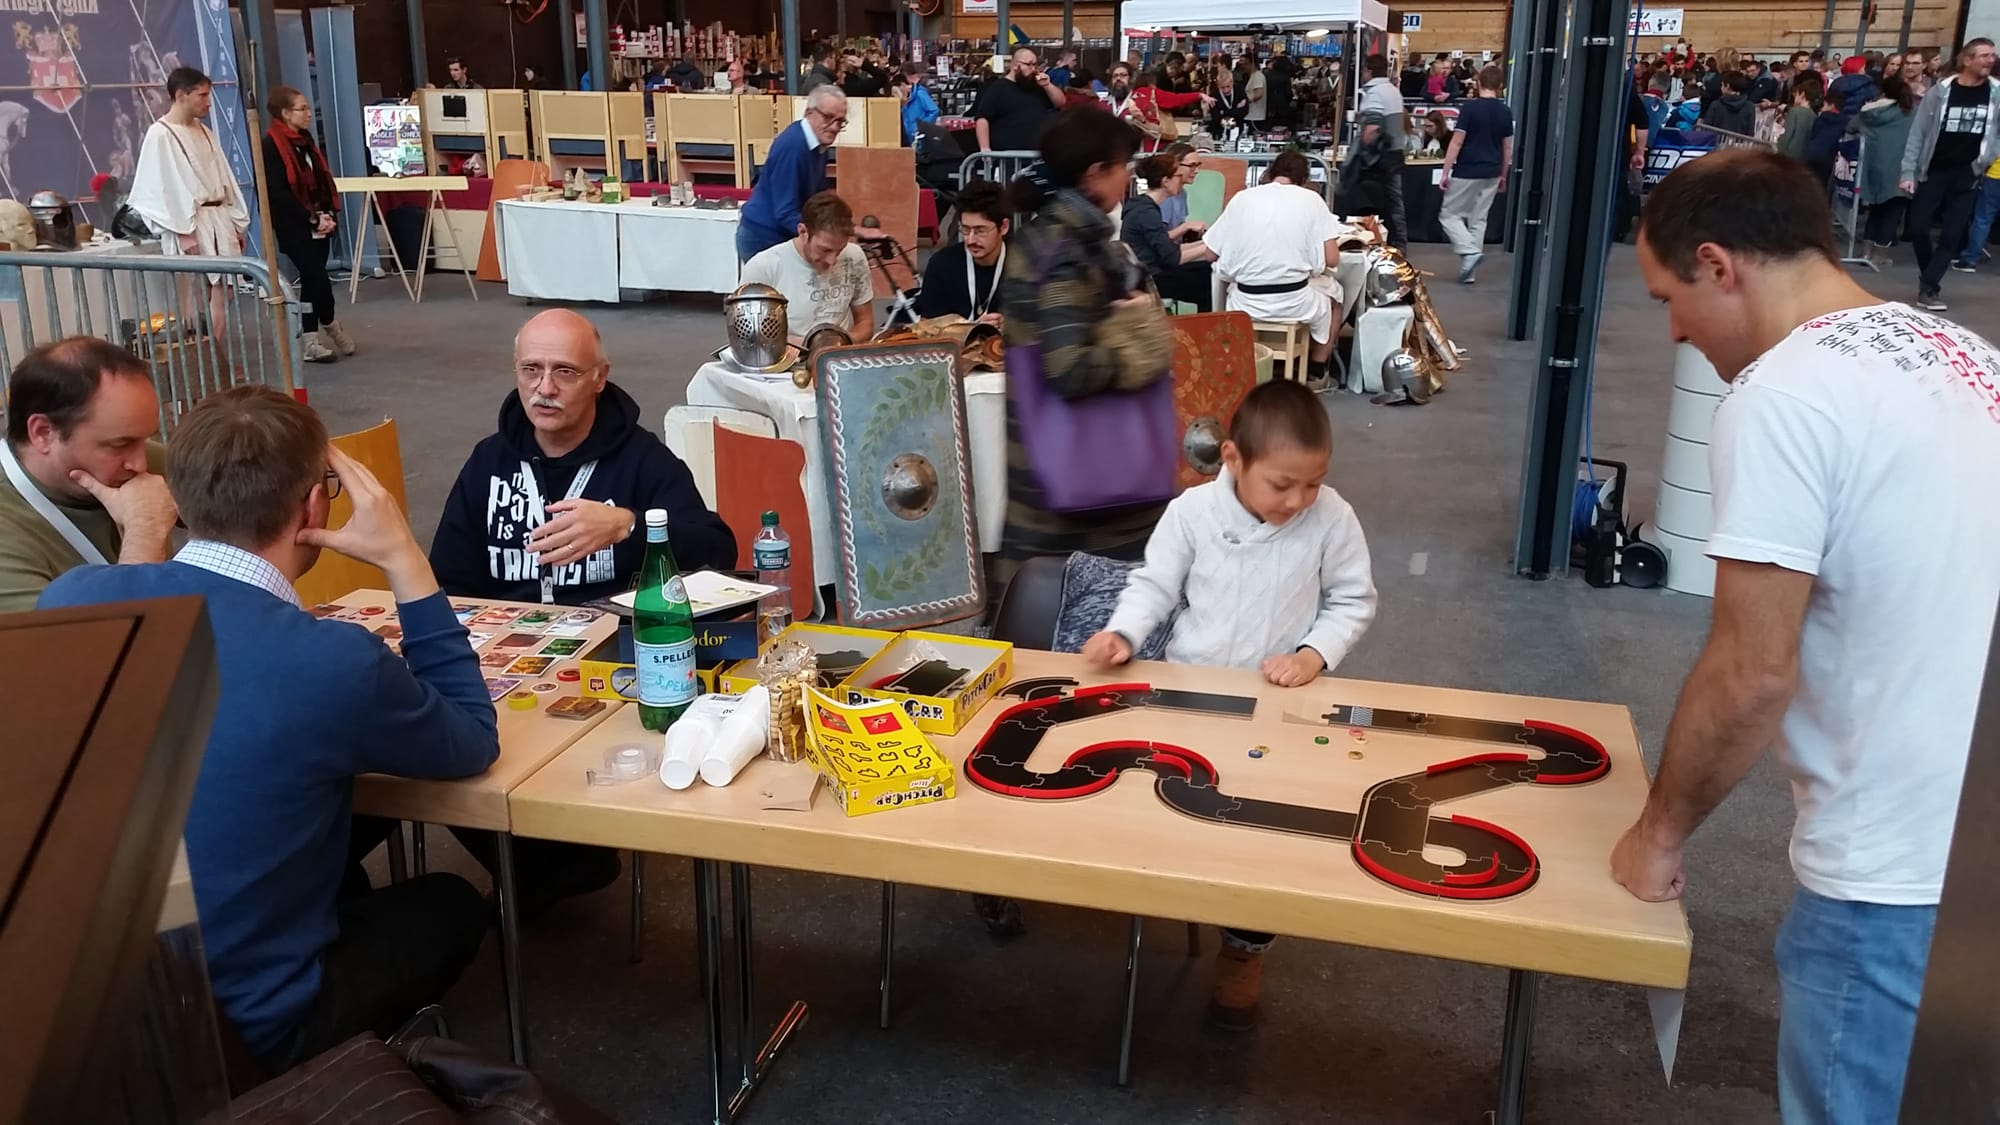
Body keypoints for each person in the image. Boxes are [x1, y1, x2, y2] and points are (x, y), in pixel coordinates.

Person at [1618, 147, 2000, 1125]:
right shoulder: (1960, 355)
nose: (1670, 329)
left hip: (1893, 871)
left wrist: (1656, 836)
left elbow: (1749, 673)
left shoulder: (1783, 395)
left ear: (1717, 263)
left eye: (1667, 296)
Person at [38, 385, 501, 1074]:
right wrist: (405, 557)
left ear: (180, 499)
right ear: (315, 505)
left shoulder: (70, 598)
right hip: (246, 1037)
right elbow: (472, 737)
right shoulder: (331, 661)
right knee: (450, 901)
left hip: (80, 1010)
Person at [1083, 378, 1375, 1030]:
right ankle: (1158, 901)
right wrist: (1124, 632)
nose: (1298, 500)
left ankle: (1246, 944)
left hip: (1279, 704)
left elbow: (1353, 599)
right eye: (1282, 484)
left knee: (1260, 836)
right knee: (1171, 809)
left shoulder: (1332, 518)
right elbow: (1154, 583)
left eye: (1313, 482)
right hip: (1193, 694)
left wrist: (1312, 653)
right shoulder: (1192, 513)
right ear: (1234, 459)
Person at [430, 308, 735, 608]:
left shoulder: (642, 459)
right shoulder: (489, 462)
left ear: (599, 378)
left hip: (610, 639)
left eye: (565, 371)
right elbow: (448, 580)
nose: (546, 388)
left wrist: (628, 528)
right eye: (531, 369)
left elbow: (717, 553)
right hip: (510, 641)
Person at [991, 110, 1173, 593]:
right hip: (1086, 494)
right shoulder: (1066, 251)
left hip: (1064, 478)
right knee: (1076, 623)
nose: (1130, 174)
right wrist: (1137, 346)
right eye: (1123, 164)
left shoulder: (1059, 238)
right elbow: (1068, 366)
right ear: (1095, 173)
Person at [0, 338, 176, 613]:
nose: (140, 463)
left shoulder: (140, 460)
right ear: (43, 433)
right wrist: (145, 535)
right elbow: (86, 649)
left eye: (145, 439)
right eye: (120, 444)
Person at [1205, 151, 1351, 384]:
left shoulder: (1242, 198)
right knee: (1336, 297)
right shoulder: (1312, 199)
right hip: (1294, 299)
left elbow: (1210, 252)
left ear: (1270, 173)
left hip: (1246, 300)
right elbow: (1332, 259)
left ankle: (1252, 359)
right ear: (1304, 180)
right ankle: (1317, 368)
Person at [128, 67, 250, 339]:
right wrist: (184, 230)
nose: (208, 102)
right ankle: (201, 359)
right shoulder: (160, 134)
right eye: (202, 95)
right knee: (194, 291)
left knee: (223, 290)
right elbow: (158, 189)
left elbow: (223, 176)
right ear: (181, 95)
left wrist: (235, 223)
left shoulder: (203, 130)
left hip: (218, 218)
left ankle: (215, 355)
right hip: (191, 223)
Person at [1898, 37, 2000, 311]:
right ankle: (1928, 275)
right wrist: (1908, 171)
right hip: (1933, 170)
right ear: (1966, 60)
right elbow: (1918, 133)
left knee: (1952, 235)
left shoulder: (1996, 93)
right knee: (1918, 228)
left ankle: (1929, 287)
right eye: (1984, 55)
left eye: (1992, 55)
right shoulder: (1940, 92)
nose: (1990, 60)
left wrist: (1985, 160)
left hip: (1968, 173)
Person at [263, 86, 352, 366]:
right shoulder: (271, 146)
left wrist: (326, 214)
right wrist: (310, 217)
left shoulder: (306, 141)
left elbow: (319, 181)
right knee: (316, 278)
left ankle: (317, 332)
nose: (309, 114)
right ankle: (323, 330)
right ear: (286, 113)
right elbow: (278, 193)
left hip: (320, 219)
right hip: (294, 225)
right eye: (302, 109)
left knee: (315, 281)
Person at [740, 190, 876, 341]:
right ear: (802, 231)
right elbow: (750, 336)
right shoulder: (764, 267)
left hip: (839, 354)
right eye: (825, 250)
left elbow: (865, 322)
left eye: (840, 250)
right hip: (787, 357)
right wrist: (813, 346)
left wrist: (840, 344)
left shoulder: (854, 256)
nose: (832, 260)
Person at [737, 84, 844, 262]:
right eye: (828, 118)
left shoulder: (817, 143)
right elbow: (785, 212)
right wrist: (824, 237)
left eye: (840, 121)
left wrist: (844, 222)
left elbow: (818, 197)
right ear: (809, 113)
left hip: (778, 235)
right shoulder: (793, 147)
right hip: (764, 238)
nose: (834, 127)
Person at [1439, 65, 1514, 285]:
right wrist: (1503, 174)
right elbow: (1507, 148)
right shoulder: (1505, 111)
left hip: (1468, 170)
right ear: (1500, 86)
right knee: (1478, 219)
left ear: (1478, 82)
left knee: (1449, 215)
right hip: (1492, 171)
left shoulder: (1470, 109)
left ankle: (1469, 253)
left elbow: (1457, 141)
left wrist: (1446, 170)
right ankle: (1469, 271)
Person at [1121, 152, 1215, 310]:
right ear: (1165, 181)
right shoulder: (1146, 213)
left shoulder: (1145, 207)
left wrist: (1208, 243)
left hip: (1152, 271)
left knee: (1208, 269)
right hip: (1149, 278)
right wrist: (1211, 246)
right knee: (1208, 283)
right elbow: (1173, 257)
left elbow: (1168, 249)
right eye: (1178, 176)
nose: (1181, 180)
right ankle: (1203, 330)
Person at [916, 179, 1008, 322]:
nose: (971, 240)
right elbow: (928, 328)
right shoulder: (942, 265)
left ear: (1003, 227)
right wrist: (970, 330)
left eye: (980, 231)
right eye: (965, 230)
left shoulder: (1024, 264)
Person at [1355, 53, 1409, 249]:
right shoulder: (1393, 91)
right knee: (1394, 201)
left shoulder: (1375, 93)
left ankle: (1375, 242)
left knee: (1371, 201)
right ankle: (1398, 243)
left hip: (1378, 157)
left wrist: (1361, 148)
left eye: (1363, 69)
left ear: (1369, 70)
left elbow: (1372, 129)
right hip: (1394, 152)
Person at [974, 48, 1065, 152]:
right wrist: (985, 148)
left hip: (1037, 152)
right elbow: (982, 118)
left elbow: (1060, 102)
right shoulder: (998, 88)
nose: (1033, 69)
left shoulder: (1037, 86)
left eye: (1035, 65)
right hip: (1008, 154)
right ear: (1015, 65)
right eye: (1028, 64)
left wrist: (1047, 85)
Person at [1104, 61, 1208, 151]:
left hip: (1138, 154)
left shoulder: (1143, 98)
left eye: (1123, 75)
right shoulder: (1102, 104)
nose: (1119, 79)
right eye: (1115, 76)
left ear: (1131, 78)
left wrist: (1142, 120)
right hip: (1110, 154)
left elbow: (1156, 132)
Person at [1778, 72, 1825, 161]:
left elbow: (1787, 136)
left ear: (1802, 94)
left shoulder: (1795, 111)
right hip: (1803, 159)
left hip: (1788, 157)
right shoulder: (1814, 115)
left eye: (1796, 94)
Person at [1698, 70, 1757, 134]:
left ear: (1727, 86)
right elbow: (1750, 131)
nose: (1721, 88)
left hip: (1718, 142)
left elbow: (1706, 128)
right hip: (1740, 143)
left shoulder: (1716, 105)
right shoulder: (1750, 106)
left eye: (1722, 85)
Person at [901, 63, 939, 144]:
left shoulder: (920, 93)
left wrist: (921, 126)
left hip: (917, 136)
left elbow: (934, 110)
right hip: (910, 136)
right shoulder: (911, 95)